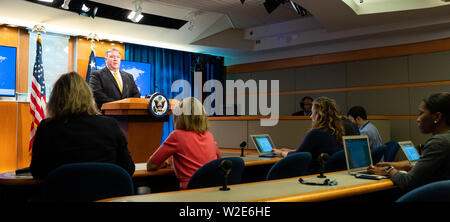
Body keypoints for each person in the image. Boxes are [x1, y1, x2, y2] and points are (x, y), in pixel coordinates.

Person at [30, 72, 135, 179]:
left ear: (55, 99)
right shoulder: (110, 125)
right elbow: (128, 168)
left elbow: (38, 171)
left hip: (61, 194)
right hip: (108, 194)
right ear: (89, 96)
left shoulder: (47, 127)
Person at [368, 92, 450, 191]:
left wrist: (388, 170)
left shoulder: (439, 142)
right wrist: (400, 166)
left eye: (421, 113)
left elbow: (408, 182)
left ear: (437, 117)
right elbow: (431, 171)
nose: (418, 119)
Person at [146, 97, 222, 189]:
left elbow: (151, 165)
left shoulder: (177, 136)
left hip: (190, 192)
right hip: (211, 189)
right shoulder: (209, 136)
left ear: (180, 117)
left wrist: (166, 162)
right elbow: (218, 160)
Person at [274, 96, 345, 171]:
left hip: (314, 173)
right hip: (330, 173)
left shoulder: (316, 133)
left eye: (312, 112)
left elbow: (298, 156)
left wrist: (280, 152)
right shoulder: (336, 132)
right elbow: (310, 151)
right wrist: (290, 150)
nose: (311, 116)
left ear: (319, 114)